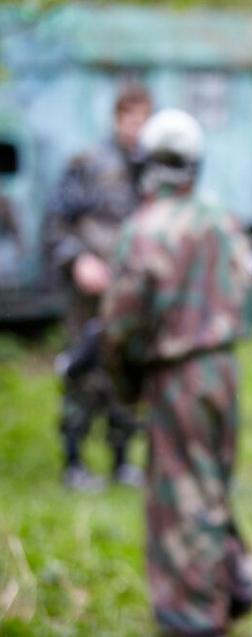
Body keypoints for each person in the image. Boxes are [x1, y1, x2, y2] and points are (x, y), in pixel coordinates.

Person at [101, 108, 252, 636]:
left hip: (174, 377)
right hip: (221, 369)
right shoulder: (220, 218)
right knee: (212, 485)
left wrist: (125, 388)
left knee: (180, 499)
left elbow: (122, 324)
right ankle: (230, 584)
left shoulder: (143, 228)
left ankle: (193, 617)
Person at [46, 81, 152, 491]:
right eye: (130, 118)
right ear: (116, 119)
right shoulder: (88, 164)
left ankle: (122, 461)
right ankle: (73, 462)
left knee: (126, 373)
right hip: (88, 295)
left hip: (128, 297)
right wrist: (78, 260)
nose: (136, 127)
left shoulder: (151, 170)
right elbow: (55, 224)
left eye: (144, 119)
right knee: (83, 374)